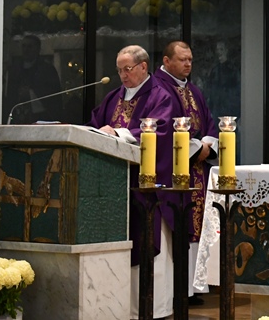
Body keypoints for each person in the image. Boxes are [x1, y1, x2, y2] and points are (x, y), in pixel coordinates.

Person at [90, 45, 181, 320]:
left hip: (147, 186)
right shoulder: (113, 97)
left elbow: (161, 132)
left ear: (143, 67)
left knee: (148, 243)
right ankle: (117, 307)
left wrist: (117, 133)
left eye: (127, 69)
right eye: (119, 70)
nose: (123, 75)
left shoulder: (161, 96)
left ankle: (153, 309)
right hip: (114, 185)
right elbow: (96, 127)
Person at [152, 41, 218, 306]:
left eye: (190, 59)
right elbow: (165, 129)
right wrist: (197, 148)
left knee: (198, 225)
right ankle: (180, 289)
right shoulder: (158, 89)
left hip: (198, 170)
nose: (188, 64)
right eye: (182, 59)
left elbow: (208, 121)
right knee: (182, 224)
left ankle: (193, 287)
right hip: (175, 172)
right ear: (167, 61)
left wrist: (207, 145)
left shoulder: (193, 89)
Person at [4, 34, 62, 123]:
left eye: (30, 46)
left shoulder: (47, 70)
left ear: (38, 49)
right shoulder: (14, 70)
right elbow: (10, 96)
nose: (26, 50)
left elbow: (53, 98)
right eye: (24, 46)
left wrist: (31, 94)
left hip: (40, 119)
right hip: (17, 118)